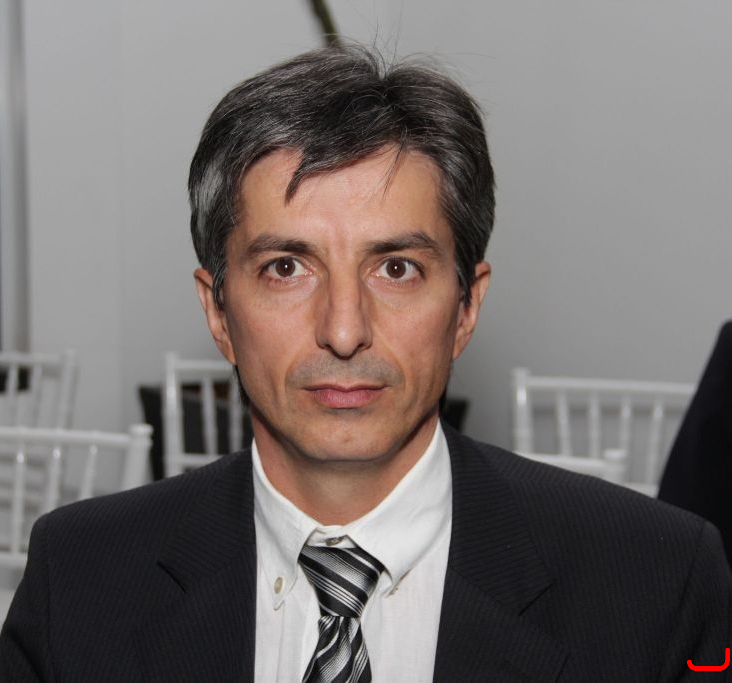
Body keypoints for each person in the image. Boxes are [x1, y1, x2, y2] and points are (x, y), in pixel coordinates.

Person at [1, 44, 730, 682]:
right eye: (286, 268)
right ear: (218, 311)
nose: (344, 331)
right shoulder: (81, 579)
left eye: (397, 268)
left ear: (466, 306)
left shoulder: (656, 582)